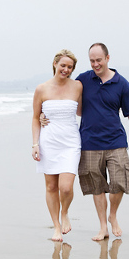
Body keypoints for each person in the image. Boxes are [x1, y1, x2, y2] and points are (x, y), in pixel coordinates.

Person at [45, 43, 129, 240]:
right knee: (96, 187)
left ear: (108, 58)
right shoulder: (83, 80)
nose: (96, 64)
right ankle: (102, 227)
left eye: (99, 60)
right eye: (92, 60)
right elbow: (63, 96)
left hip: (116, 141)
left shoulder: (122, 84)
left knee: (119, 183)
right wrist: (43, 115)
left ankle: (112, 215)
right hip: (89, 143)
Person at [32, 49, 83, 242]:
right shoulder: (41, 89)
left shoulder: (78, 86)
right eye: (63, 65)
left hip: (70, 142)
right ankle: (56, 227)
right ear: (55, 64)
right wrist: (35, 144)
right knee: (51, 186)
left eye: (70, 67)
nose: (66, 70)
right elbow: (35, 118)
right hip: (49, 142)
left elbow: (82, 111)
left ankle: (65, 213)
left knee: (66, 188)